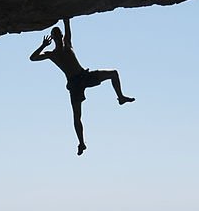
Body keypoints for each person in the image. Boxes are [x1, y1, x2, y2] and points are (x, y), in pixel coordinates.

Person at [29, 17, 135, 155]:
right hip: (74, 84)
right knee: (77, 116)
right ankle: (81, 143)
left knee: (113, 73)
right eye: (56, 35)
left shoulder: (67, 44)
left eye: (59, 34)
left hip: (84, 76)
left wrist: (65, 19)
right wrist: (43, 45)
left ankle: (120, 97)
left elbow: (67, 23)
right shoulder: (52, 54)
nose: (59, 37)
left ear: (60, 35)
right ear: (53, 38)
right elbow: (32, 58)